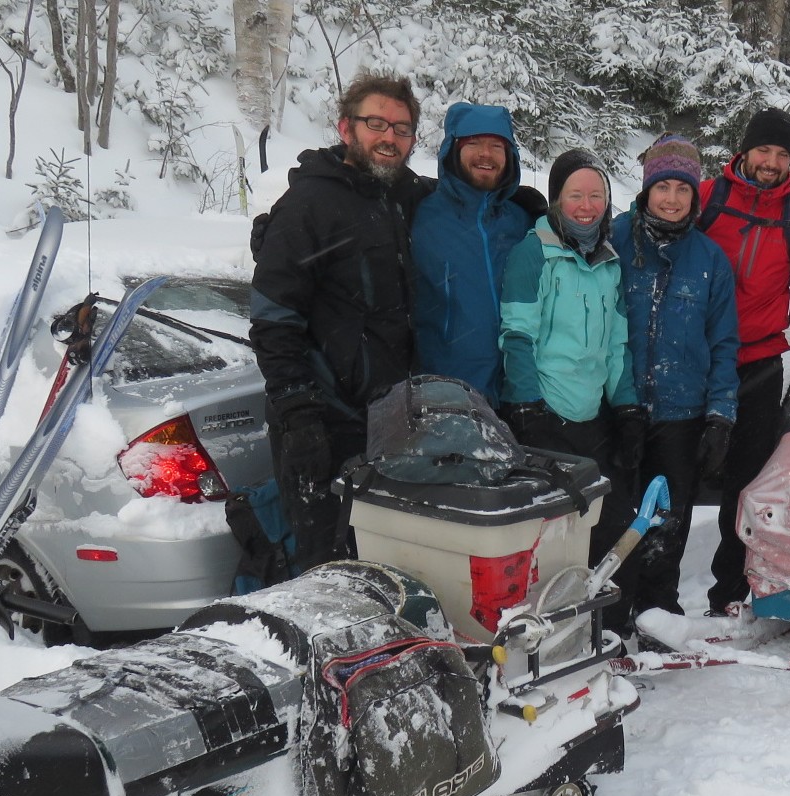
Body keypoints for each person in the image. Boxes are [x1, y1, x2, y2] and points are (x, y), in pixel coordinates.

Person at [248, 73, 430, 569]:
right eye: (377, 124)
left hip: (387, 422)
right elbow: (273, 318)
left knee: (387, 565)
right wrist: (299, 413)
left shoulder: (402, 197)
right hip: (323, 422)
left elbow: (465, 196)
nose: (389, 137)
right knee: (327, 571)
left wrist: (520, 203)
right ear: (346, 127)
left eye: (402, 129)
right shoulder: (310, 204)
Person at [698, 107, 790, 615]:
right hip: (696, 361)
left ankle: (728, 594)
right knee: (674, 478)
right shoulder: (706, 199)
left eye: (782, 154)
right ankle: (653, 595)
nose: (771, 162)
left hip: (759, 364)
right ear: (744, 150)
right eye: (764, 150)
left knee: (745, 487)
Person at [498, 147, 638, 627]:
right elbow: (517, 334)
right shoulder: (533, 253)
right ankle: (547, 631)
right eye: (575, 195)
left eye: (596, 195)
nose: (586, 206)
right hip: (545, 417)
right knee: (553, 539)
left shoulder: (610, 262)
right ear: (557, 198)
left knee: (609, 525)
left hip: (592, 418)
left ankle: (606, 628)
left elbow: (617, 345)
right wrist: (526, 405)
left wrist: (626, 409)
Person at [609, 133, 739, 618]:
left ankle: (657, 612)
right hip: (616, 408)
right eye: (663, 186)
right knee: (614, 518)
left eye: (683, 189)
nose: (671, 198)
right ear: (647, 190)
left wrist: (720, 415)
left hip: (680, 414)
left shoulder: (709, 259)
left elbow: (723, 342)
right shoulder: (614, 240)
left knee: (667, 521)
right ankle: (612, 614)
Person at [410, 102, 547, 407]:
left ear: (510, 156)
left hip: (518, 396)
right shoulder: (420, 218)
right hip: (447, 397)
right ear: (453, 150)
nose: (486, 154)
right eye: (473, 143)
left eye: (496, 146)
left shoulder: (523, 222)